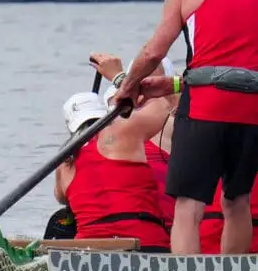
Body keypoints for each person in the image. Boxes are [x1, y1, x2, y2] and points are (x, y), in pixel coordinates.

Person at [112, 0, 258, 256]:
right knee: (237, 200)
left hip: (206, 110)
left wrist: (127, 86)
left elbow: (154, 52)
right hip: (254, 113)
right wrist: (173, 83)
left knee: (189, 205)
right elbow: (238, 64)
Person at [53, 89, 174, 249]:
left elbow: (61, 197)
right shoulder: (123, 131)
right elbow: (163, 105)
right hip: (146, 243)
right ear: (105, 115)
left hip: (89, 251)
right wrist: (128, 86)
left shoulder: (64, 161)